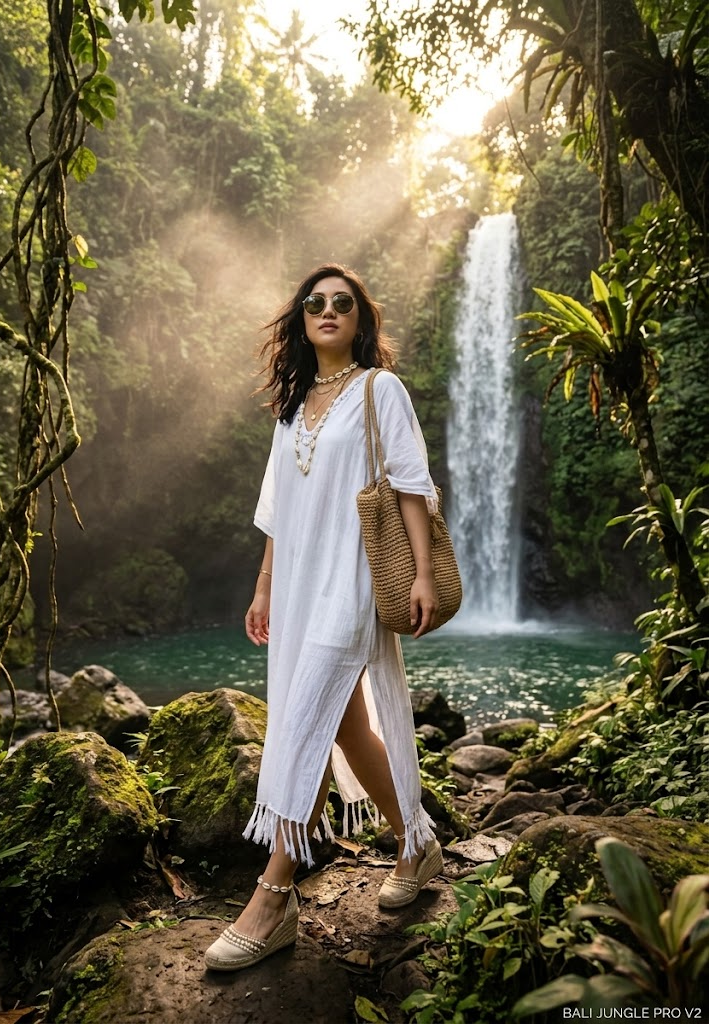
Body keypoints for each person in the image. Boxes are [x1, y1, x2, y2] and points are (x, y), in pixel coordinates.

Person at [204, 264, 444, 972]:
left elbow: (410, 486)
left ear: (359, 319)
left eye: (343, 303)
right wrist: (263, 587)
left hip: (357, 580)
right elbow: (277, 511)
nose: (329, 311)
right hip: (301, 582)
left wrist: (423, 574)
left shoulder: (380, 389)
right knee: (341, 722)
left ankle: (273, 895)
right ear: (302, 319)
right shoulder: (291, 404)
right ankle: (415, 845)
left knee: (306, 715)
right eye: (316, 303)